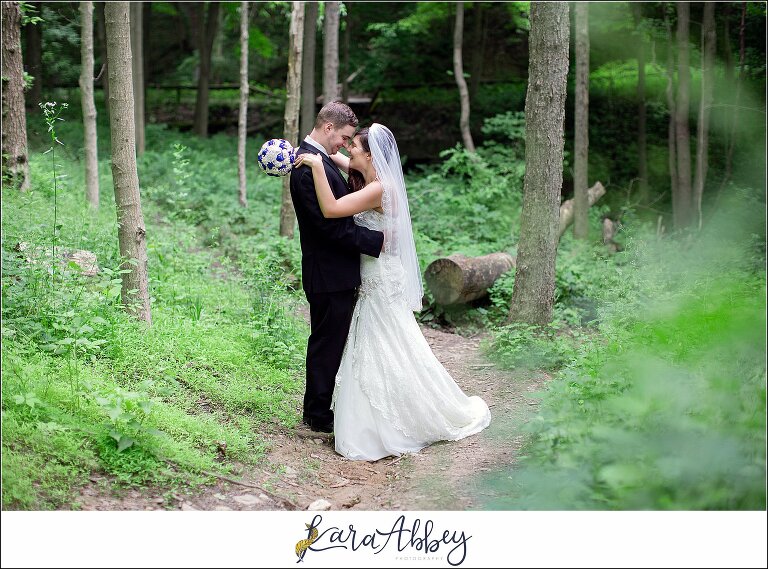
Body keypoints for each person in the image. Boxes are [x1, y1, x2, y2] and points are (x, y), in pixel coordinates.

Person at [294, 123, 491, 461]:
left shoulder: (377, 190)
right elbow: (341, 161)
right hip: (377, 275)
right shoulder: (375, 179)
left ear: (371, 155)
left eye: (353, 146)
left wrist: (314, 165)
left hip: (380, 278)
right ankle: (377, 409)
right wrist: (320, 154)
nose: (347, 150)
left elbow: (330, 210)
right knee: (384, 340)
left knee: (386, 341)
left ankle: (399, 415)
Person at [289, 103, 385, 434]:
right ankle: (317, 415)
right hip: (328, 273)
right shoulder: (306, 168)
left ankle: (322, 408)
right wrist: (377, 241)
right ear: (328, 128)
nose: (344, 145)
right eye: (343, 138)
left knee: (331, 341)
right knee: (326, 344)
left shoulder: (319, 160)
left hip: (336, 271)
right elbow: (329, 228)